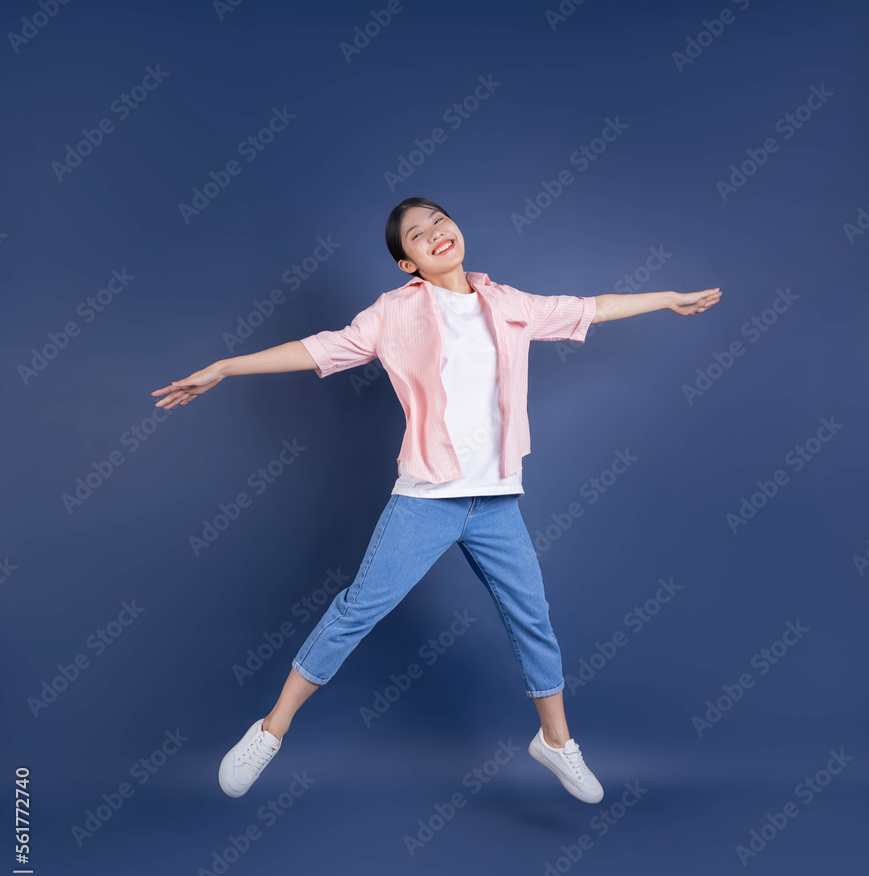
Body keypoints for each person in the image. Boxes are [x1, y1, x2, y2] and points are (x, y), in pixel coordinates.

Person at [151, 196, 722, 806]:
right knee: (355, 612)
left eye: (439, 222)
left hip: (497, 500)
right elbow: (322, 348)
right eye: (418, 235)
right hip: (428, 499)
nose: (435, 234)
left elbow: (593, 306)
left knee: (533, 617)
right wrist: (226, 368)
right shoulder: (395, 314)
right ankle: (270, 732)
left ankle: (555, 742)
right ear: (408, 264)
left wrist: (666, 298)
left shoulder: (508, 303)